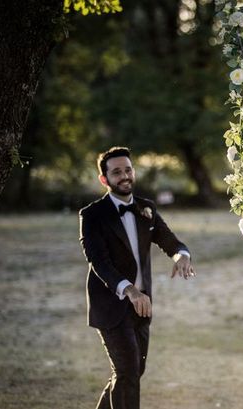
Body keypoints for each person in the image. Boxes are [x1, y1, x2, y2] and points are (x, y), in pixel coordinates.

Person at [79, 146, 196, 409]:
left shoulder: (146, 208)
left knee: (131, 373)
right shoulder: (92, 215)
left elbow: (169, 241)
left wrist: (181, 256)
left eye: (128, 170)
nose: (124, 176)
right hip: (111, 306)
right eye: (116, 172)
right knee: (127, 373)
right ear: (104, 179)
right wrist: (130, 290)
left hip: (143, 307)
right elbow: (99, 261)